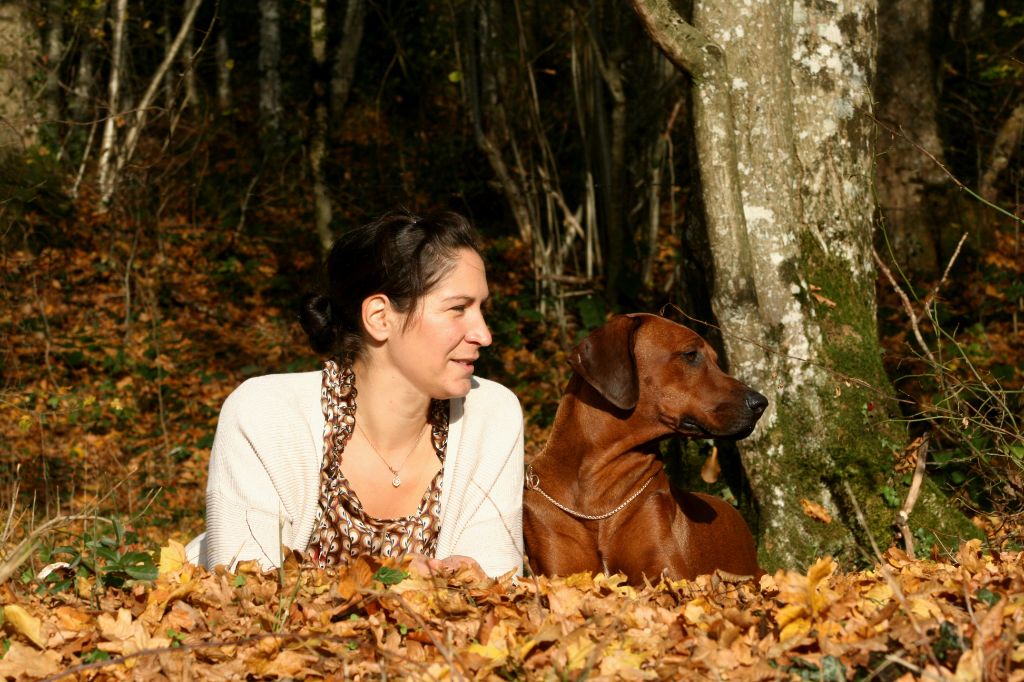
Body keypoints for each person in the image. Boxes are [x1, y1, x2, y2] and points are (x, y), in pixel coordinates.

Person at [185, 209, 524, 578]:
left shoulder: (490, 415)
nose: (484, 334)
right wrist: (384, 581)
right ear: (380, 317)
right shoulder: (265, 416)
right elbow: (244, 589)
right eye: (458, 309)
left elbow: (497, 588)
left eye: (481, 309)